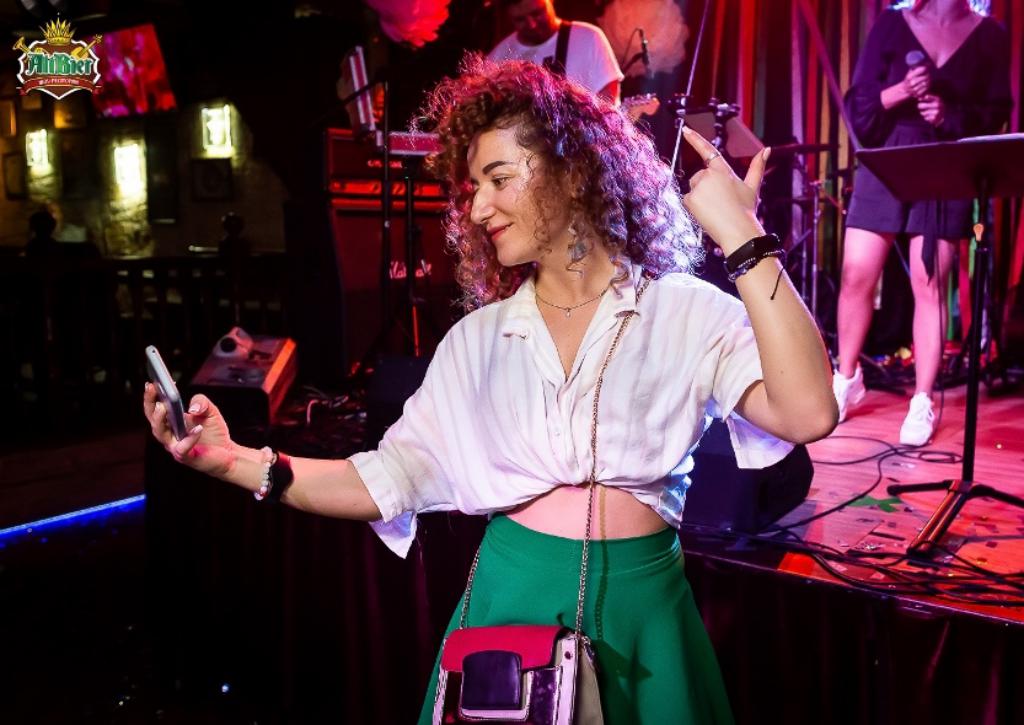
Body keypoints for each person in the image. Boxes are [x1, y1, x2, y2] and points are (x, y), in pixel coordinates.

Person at [145, 57, 837, 723]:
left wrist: (744, 237)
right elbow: (384, 481)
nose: (477, 209)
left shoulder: (683, 310)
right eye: (472, 188)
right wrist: (231, 461)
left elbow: (808, 411)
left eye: (498, 179)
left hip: (643, 622)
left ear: (573, 170)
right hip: (510, 612)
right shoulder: (477, 341)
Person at [834, 0, 1011, 445]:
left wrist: (949, 116)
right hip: (888, 155)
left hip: (943, 159)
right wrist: (900, 92)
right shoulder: (893, 23)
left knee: (928, 280)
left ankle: (923, 399)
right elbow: (860, 105)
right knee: (856, 272)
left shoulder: (990, 35)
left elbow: (996, 110)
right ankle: (846, 379)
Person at [487, 0, 622, 104]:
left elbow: (609, 97)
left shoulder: (589, 37)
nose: (532, 24)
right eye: (520, 19)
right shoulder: (498, 57)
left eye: (537, 13)